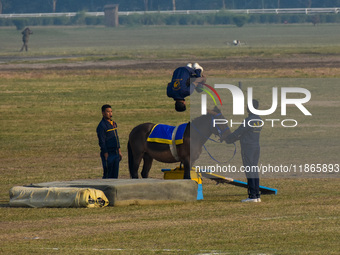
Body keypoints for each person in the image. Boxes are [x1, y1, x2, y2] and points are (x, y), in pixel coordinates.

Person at [226, 99, 262, 202]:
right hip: (256, 147)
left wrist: (228, 139)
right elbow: (247, 134)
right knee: (254, 170)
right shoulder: (259, 120)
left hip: (248, 149)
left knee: (249, 171)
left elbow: (238, 132)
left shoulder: (248, 120)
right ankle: (257, 195)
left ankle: (252, 196)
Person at [96, 104, 122, 179]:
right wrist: (105, 153)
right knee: (108, 174)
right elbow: (102, 141)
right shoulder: (102, 126)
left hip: (116, 152)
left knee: (115, 174)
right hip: (108, 153)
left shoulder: (113, 123)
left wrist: (119, 150)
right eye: (108, 112)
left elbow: (116, 137)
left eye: (111, 111)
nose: (110, 113)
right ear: (103, 113)